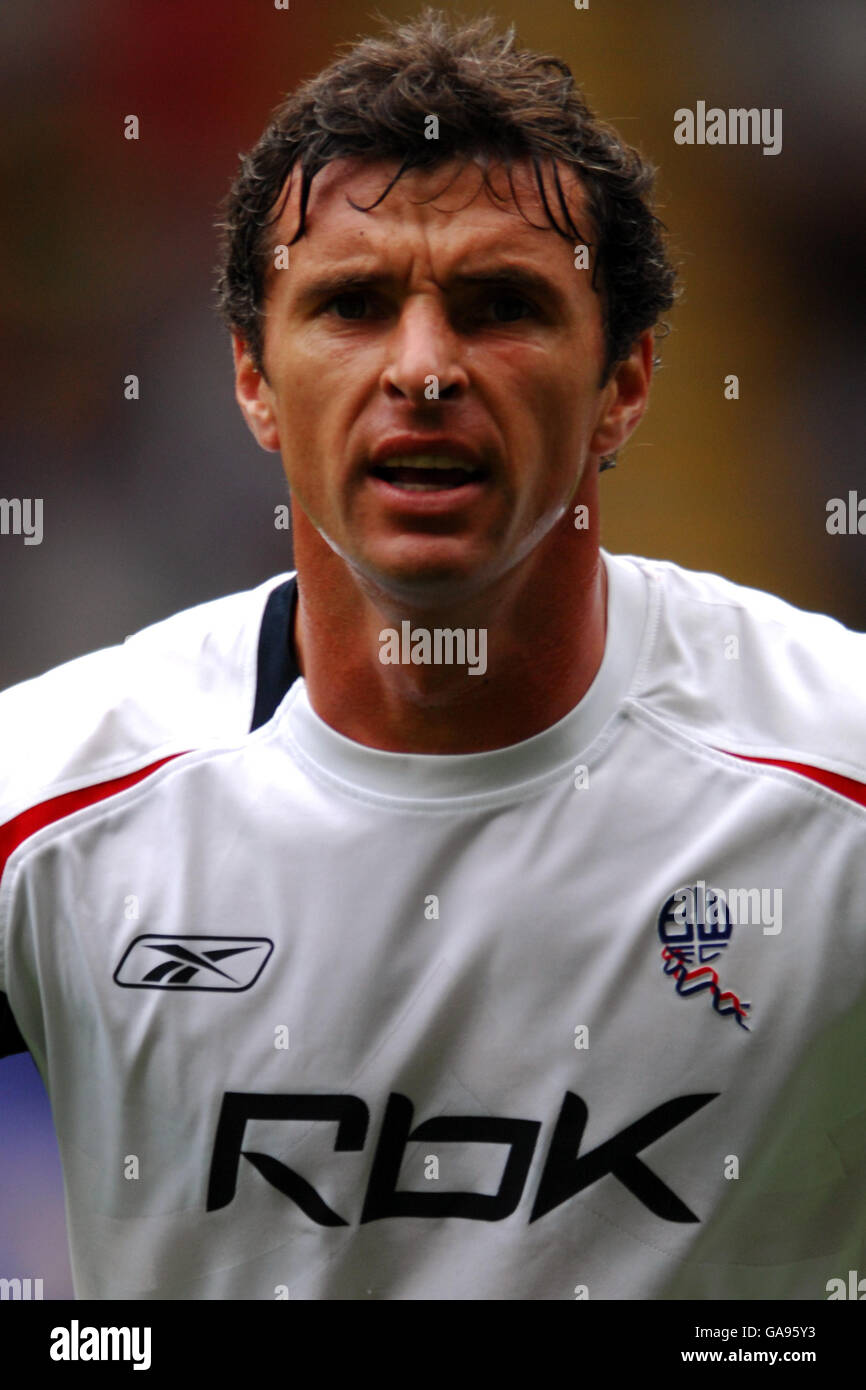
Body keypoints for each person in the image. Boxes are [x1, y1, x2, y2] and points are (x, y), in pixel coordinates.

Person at [1, 9, 864, 1301]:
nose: (421, 370)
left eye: (498, 304)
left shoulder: (833, 774)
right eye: (351, 306)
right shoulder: (50, 798)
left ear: (625, 380)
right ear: (251, 378)